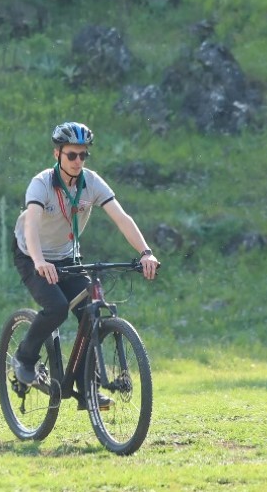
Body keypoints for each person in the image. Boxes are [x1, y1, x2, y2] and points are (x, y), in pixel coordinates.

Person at [11, 122, 160, 410]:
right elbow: (30, 224)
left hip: (67, 256)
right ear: (57, 154)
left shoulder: (91, 182)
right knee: (56, 307)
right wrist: (39, 261)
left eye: (83, 155)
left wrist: (145, 252)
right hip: (31, 254)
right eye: (72, 155)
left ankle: (87, 389)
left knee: (88, 314)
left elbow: (121, 217)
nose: (78, 161)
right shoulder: (42, 183)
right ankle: (24, 358)